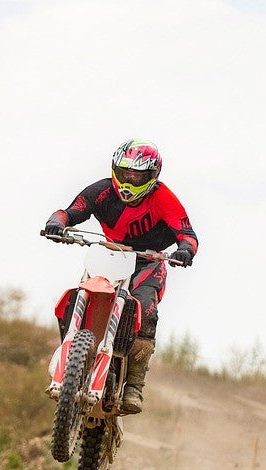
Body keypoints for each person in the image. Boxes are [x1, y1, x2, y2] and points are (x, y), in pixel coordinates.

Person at [41, 139, 198, 414]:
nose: (130, 180)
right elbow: (70, 211)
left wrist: (184, 250)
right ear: (116, 169)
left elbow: (188, 234)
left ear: (152, 176)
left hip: (149, 262)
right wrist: (57, 223)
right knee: (78, 293)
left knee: (145, 310)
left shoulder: (163, 198)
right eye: (126, 173)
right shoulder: (101, 192)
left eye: (138, 175)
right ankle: (70, 353)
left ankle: (134, 385)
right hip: (110, 255)